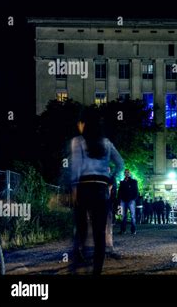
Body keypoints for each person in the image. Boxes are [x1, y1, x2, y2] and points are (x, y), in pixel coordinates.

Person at [70, 108, 124, 275]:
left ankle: (78, 262)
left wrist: (73, 190)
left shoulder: (78, 142)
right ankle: (96, 271)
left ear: (84, 124)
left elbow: (76, 168)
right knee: (99, 232)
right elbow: (121, 163)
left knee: (81, 228)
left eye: (80, 122)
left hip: (84, 187)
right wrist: (111, 179)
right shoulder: (106, 143)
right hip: (101, 188)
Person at [118, 169, 139, 235]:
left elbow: (136, 191)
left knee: (132, 216)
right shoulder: (122, 182)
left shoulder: (134, 181)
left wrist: (133, 199)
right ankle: (123, 230)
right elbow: (119, 191)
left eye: (128, 172)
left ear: (130, 174)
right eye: (125, 172)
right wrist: (119, 199)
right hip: (123, 200)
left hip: (131, 200)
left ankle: (133, 230)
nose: (126, 173)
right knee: (123, 216)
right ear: (124, 174)